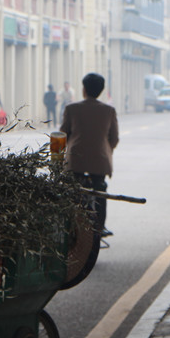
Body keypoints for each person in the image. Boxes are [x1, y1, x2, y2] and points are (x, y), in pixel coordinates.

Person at [60, 73, 119, 237]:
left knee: (72, 191)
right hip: (100, 162)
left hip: (75, 160)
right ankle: (100, 226)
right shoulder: (109, 111)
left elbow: (63, 134)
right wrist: (104, 151)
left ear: (84, 89)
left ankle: (70, 224)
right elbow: (114, 139)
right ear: (100, 91)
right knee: (100, 190)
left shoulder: (71, 109)